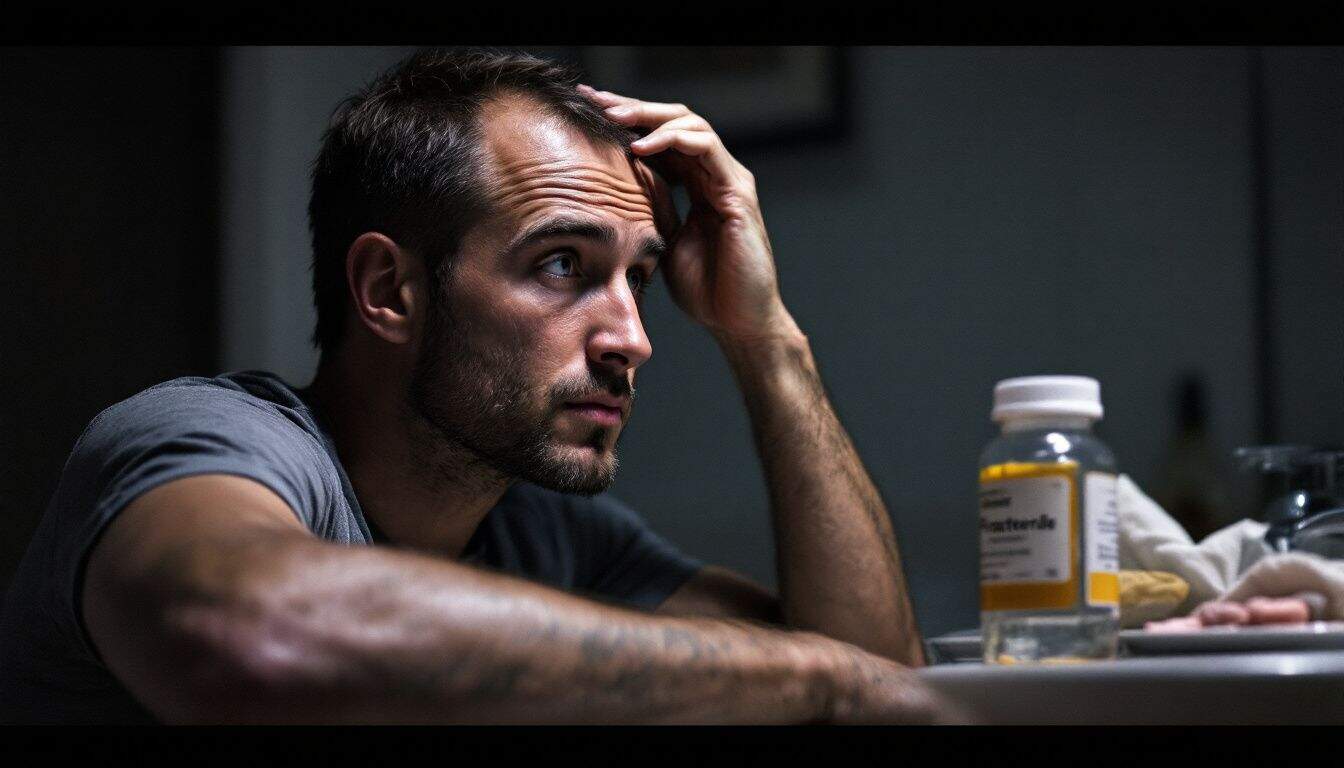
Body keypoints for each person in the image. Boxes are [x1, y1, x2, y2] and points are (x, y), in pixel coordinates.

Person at [0, 48, 950, 724]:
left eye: (641, 280)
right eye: (562, 266)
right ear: (390, 290)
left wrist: (765, 337)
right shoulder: (208, 440)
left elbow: (883, 683)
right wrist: (814, 684)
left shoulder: (543, 534)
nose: (633, 340)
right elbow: (254, 635)